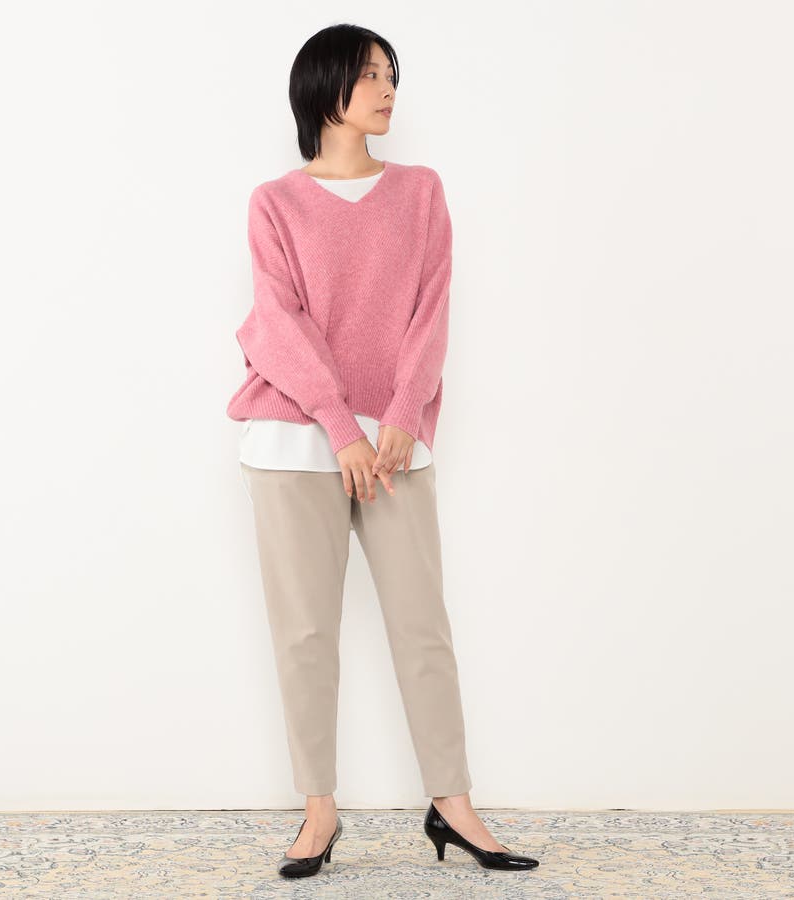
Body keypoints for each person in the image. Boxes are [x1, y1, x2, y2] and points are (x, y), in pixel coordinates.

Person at [226, 23, 539, 878]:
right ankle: (318, 812)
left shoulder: (420, 192)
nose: (389, 88)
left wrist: (401, 412)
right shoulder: (275, 203)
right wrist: (340, 425)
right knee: (305, 633)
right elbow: (276, 322)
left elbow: (433, 307)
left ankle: (453, 804)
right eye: (370, 74)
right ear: (324, 85)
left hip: (395, 445)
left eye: (392, 74)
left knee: (421, 625)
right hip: (296, 439)